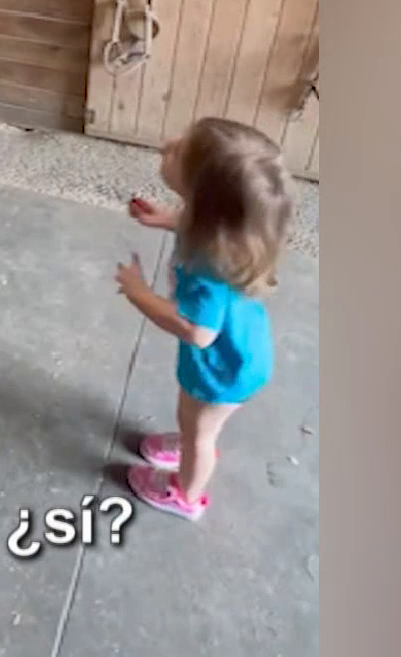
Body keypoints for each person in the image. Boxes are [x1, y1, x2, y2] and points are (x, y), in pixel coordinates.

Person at [115, 116, 293, 521]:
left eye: (180, 151)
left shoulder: (208, 269)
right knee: (193, 418)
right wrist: (166, 218)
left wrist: (139, 292)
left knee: (201, 432)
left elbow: (197, 331)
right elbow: (197, 223)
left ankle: (186, 495)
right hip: (240, 350)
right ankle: (188, 440)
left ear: (204, 195)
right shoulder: (223, 228)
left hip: (223, 369)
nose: (168, 142)